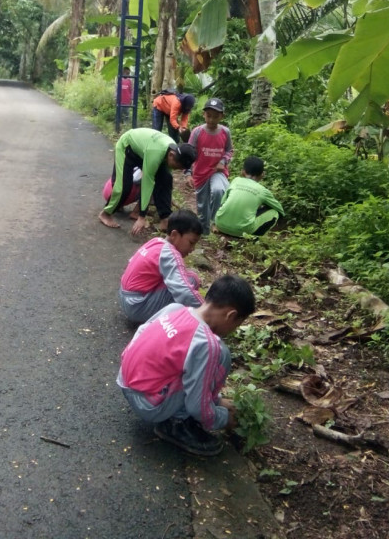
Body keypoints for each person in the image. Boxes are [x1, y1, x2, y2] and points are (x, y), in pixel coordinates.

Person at [117, 274, 256, 456]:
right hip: (149, 405)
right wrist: (222, 418)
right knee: (221, 355)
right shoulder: (206, 343)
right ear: (231, 315)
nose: (233, 331)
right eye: (237, 325)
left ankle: (187, 408)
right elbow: (196, 404)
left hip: (126, 381)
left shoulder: (175, 309)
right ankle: (177, 424)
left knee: (186, 364)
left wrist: (216, 401)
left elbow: (141, 333)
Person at [99, 128, 196, 236]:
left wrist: (167, 200)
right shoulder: (156, 154)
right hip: (127, 147)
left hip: (144, 150)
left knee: (166, 178)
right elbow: (147, 183)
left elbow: (164, 182)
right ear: (171, 156)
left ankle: (164, 219)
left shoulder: (173, 151)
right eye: (177, 167)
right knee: (123, 187)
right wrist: (142, 217)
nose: (176, 169)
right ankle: (106, 213)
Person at [119, 210, 204, 323]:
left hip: (125, 298)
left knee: (183, 276)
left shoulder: (156, 242)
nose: (192, 249)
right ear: (174, 235)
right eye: (191, 242)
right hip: (137, 307)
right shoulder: (170, 253)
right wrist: (206, 310)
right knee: (192, 279)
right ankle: (185, 321)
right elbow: (184, 290)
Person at [188, 97, 233, 236]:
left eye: (215, 116)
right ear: (204, 115)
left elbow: (229, 150)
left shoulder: (225, 132)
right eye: (209, 116)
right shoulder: (197, 132)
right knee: (202, 204)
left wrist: (223, 161)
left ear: (222, 116)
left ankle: (215, 221)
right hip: (201, 173)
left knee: (219, 190)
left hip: (217, 171)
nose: (212, 120)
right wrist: (188, 172)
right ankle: (204, 231)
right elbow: (189, 152)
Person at [215, 156, 284, 238]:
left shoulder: (236, 181)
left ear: (243, 172)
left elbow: (223, 202)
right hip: (243, 230)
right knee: (275, 213)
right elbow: (280, 210)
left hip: (220, 224)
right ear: (262, 174)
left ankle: (227, 231)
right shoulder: (262, 191)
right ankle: (253, 237)